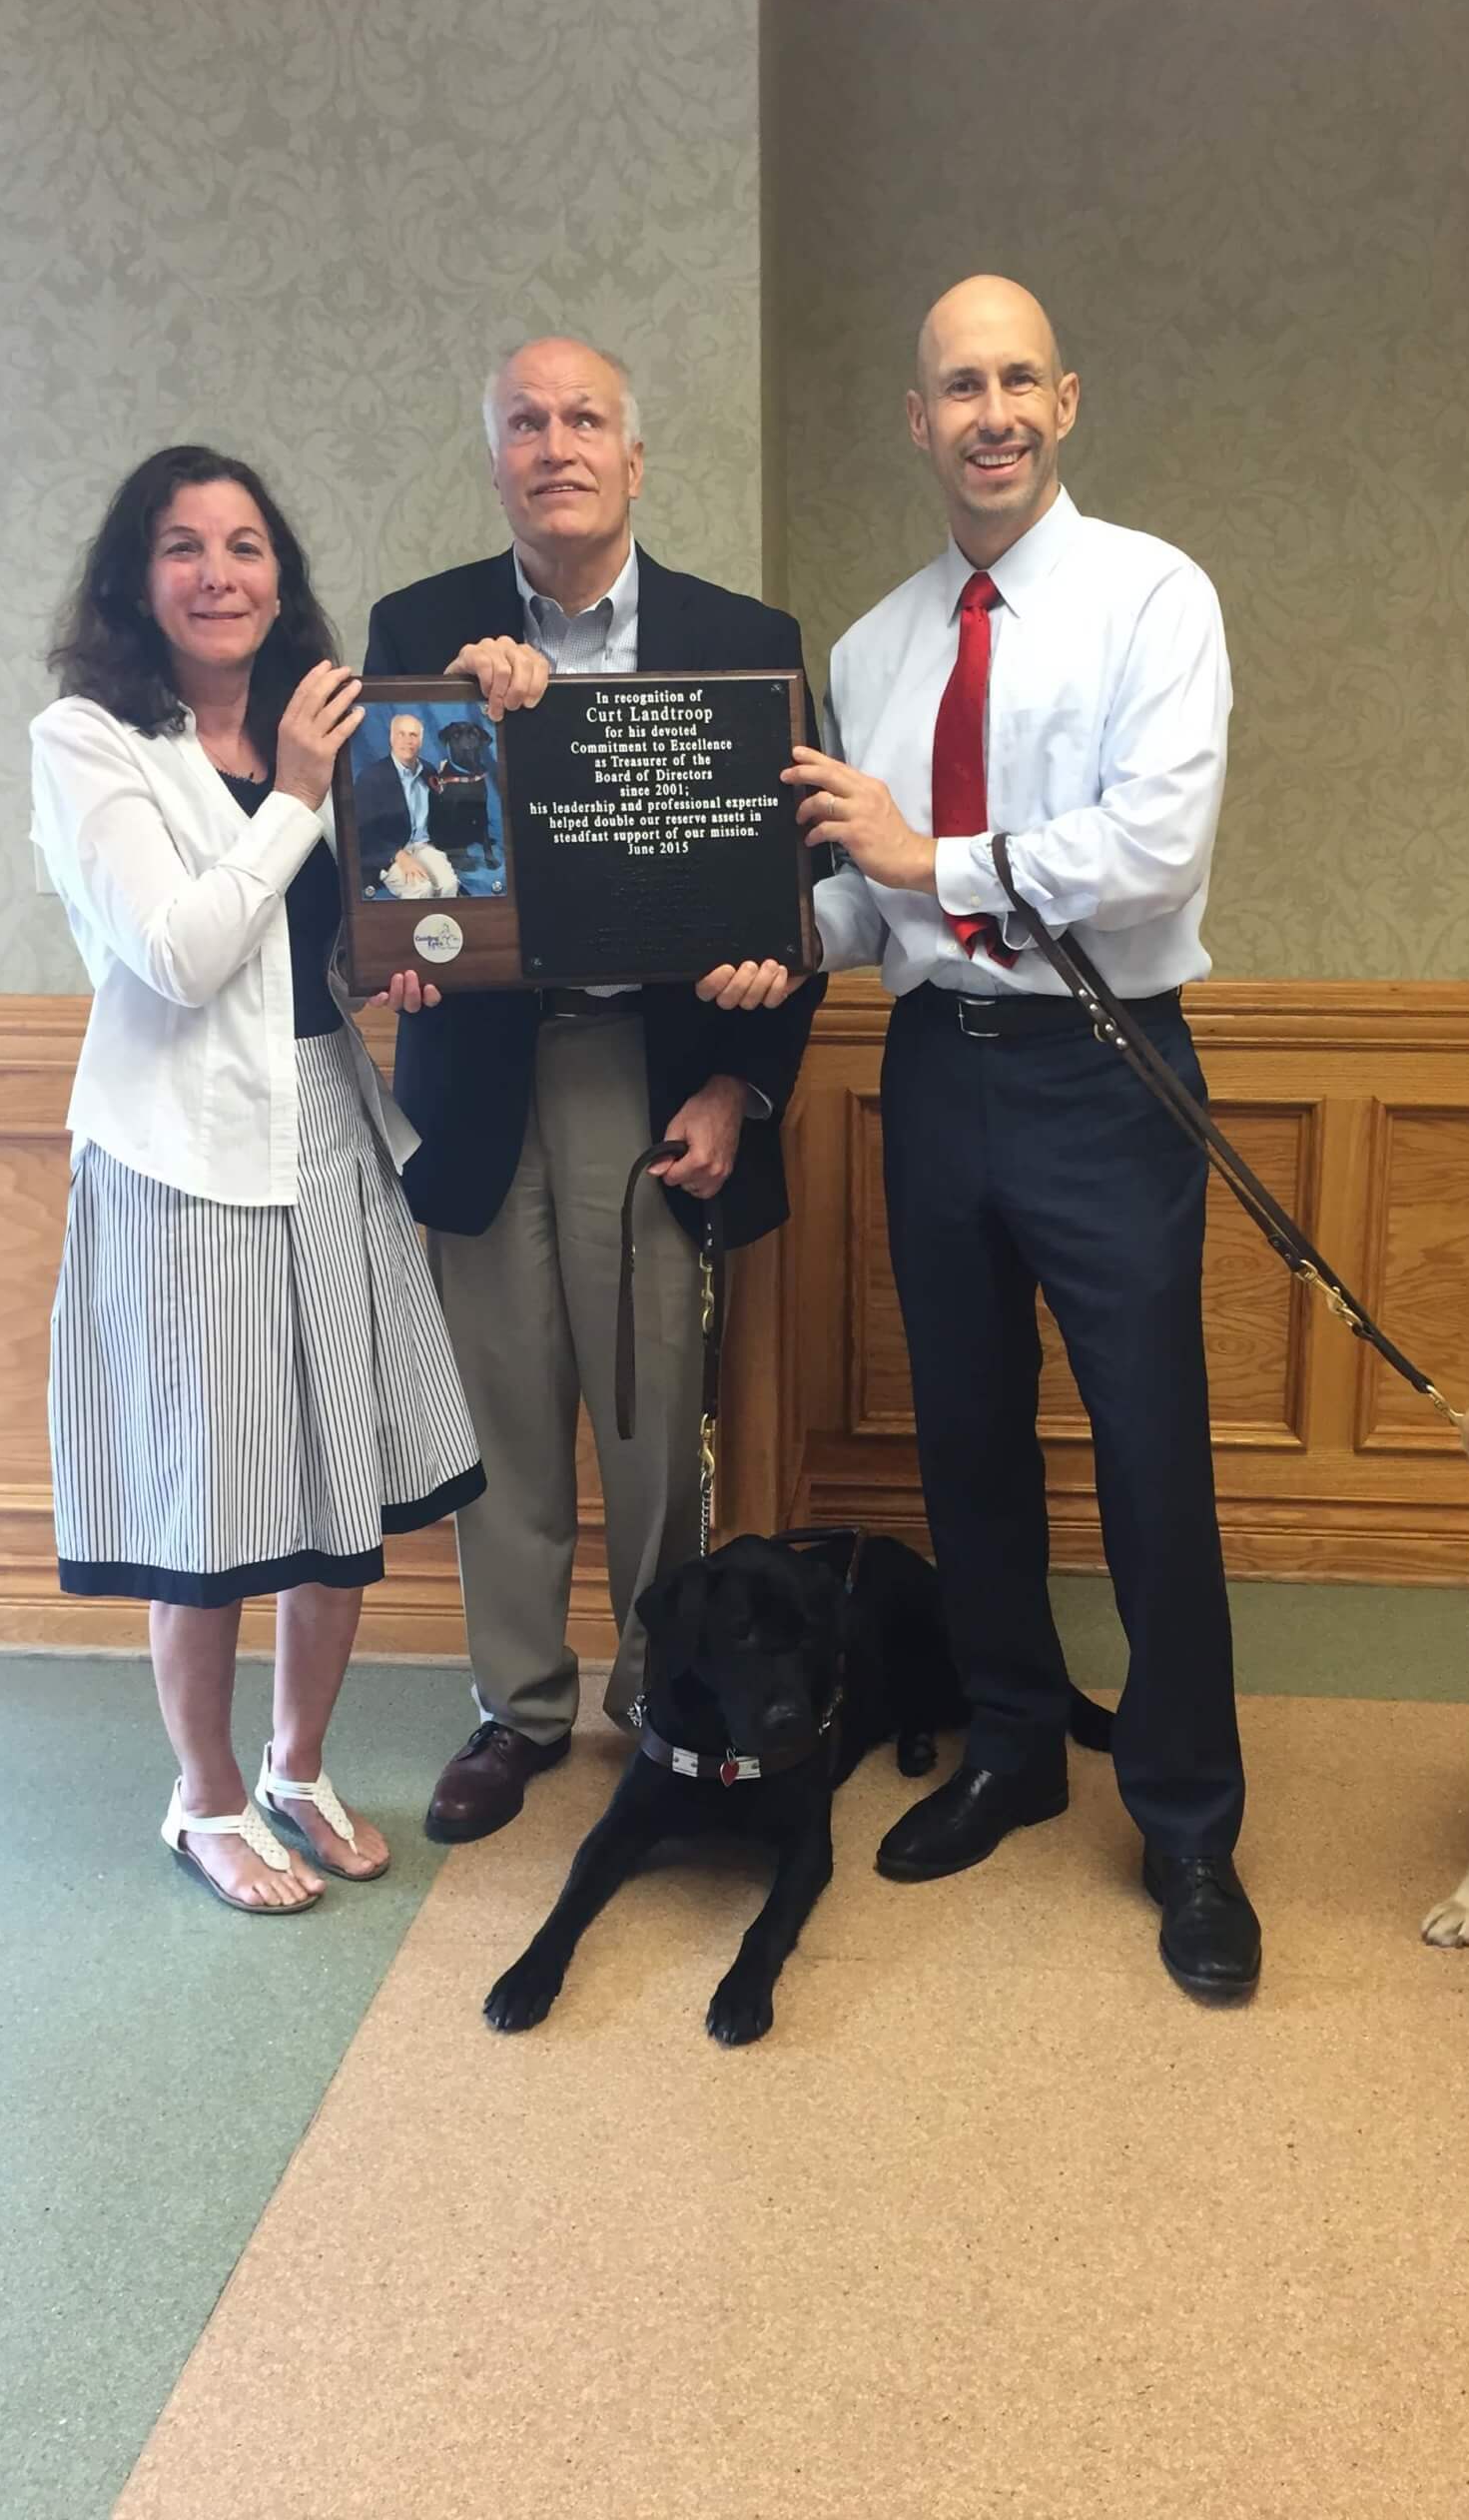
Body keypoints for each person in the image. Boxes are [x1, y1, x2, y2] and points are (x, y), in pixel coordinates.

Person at [710, 276, 1260, 2001]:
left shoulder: (1152, 597)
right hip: (940, 1072)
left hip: (1109, 1071)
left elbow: (1150, 851)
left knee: (1153, 1452)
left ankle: (1186, 1824)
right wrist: (788, 933)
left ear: (1069, 400)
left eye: (1021, 378)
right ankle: (1017, 1742)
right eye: (962, 384)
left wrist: (921, 859)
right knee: (967, 1437)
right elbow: (880, 918)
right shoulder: (874, 649)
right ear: (919, 418)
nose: (994, 410)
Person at [364, 337, 824, 1845]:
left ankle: (660, 1690)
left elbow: (797, 887)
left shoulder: (742, 639)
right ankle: (518, 1708)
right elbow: (386, 860)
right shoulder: (422, 633)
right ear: (494, 458)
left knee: (651, 1413)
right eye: (523, 422)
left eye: (585, 420)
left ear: (636, 457)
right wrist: (404, 955)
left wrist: (745, 1085)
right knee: (499, 1411)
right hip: (487, 1067)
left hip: (659, 1081)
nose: (555, 444)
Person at [31, 444, 484, 1916]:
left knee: (333, 1475)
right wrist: (293, 789)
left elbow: (334, 935)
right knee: (211, 1498)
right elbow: (175, 950)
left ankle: (297, 1767)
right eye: (183, 547)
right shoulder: (92, 740)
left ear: (279, 570)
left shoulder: (330, 725)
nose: (219, 574)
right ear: (136, 579)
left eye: (244, 544)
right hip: (181, 1163)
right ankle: (206, 1798)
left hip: (327, 1129)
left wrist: (393, 969)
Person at [355, 711, 435, 866]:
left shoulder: (429, 771)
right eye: (401, 734)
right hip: (389, 853)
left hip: (424, 847)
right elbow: (363, 830)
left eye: (413, 735)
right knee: (421, 889)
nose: (408, 741)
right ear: (391, 738)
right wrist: (395, 854)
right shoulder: (371, 777)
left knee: (448, 884)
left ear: (421, 741)